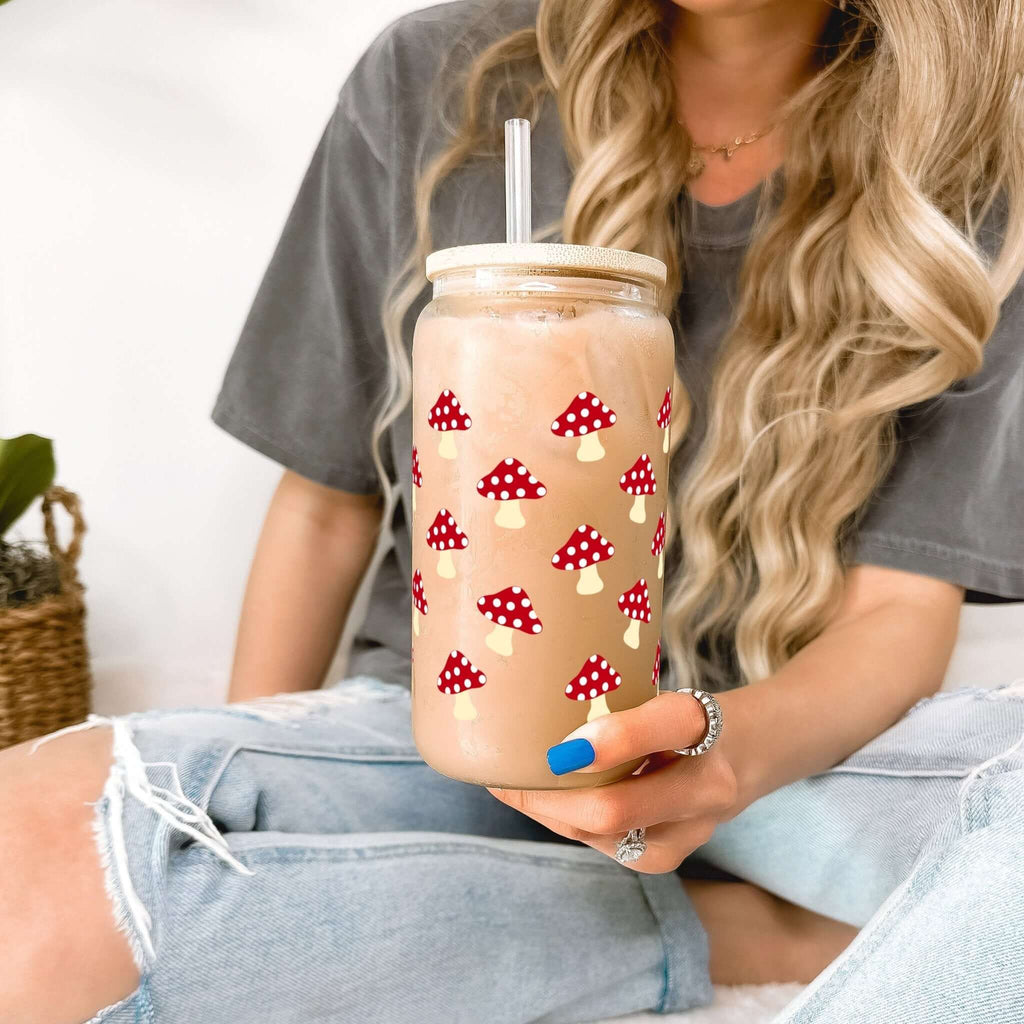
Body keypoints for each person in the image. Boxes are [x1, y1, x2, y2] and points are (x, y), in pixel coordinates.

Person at [3, 0, 1023, 1020]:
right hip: (448, 724)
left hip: (792, 752)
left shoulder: (972, 141)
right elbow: (323, 509)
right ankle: (729, 929)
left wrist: (726, 757)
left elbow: (897, 607)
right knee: (29, 854)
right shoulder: (437, 74)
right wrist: (245, 793)